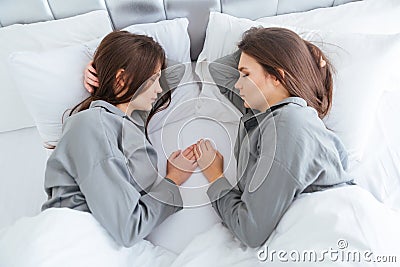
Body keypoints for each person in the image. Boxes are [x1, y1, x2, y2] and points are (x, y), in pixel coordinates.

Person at [193, 27, 355, 248]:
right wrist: (301, 50)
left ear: (277, 77)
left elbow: (250, 230)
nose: (238, 83)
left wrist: (215, 176)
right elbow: (218, 70)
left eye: (246, 74)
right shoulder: (264, 113)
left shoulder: (287, 124)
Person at [42, 31, 197, 247]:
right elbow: (129, 227)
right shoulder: (94, 125)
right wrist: (173, 180)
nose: (159, 88)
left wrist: (104, 67)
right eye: (153, 80)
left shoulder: (128, 123)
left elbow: (177, 72)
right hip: (76, 245)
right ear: (122, 78)